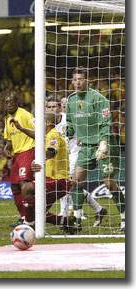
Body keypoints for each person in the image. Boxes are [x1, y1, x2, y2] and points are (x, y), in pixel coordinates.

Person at [66, 67, 125, 233]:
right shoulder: (71, 101)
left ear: (88, 81)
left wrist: (104, 142)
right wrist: (65, 135)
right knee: (76, 181)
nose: (78, 82)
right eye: (75, 79)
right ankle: (77, 221)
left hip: (105, 144)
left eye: (81, 79)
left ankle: (125, 219)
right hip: (86, 145)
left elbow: (106, 123)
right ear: (72, 82)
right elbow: (70, 124)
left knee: (109, 182)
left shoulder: (98, 99)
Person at [46, 96, 107, 227]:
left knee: (68, 184)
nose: (52, 109)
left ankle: (65, 213)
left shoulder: (70, 118)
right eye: (49, 107)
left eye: (54, 106)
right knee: (69, 186)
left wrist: (82, 138)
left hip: (74, 154)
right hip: (59, 157)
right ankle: (98, 209)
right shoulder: (46, 121)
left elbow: (84, 128)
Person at [10, 112, 74, 232]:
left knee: (26, 188)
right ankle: (66, 222)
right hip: (50, 180)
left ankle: (29, 227)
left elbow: (51, 152)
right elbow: (36, 135)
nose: (37, 125)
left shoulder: (54, 135)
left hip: (59, 180)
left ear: (48, 123)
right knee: (38, 213)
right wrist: (21, 128)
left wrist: (37, 160)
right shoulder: (48, 135)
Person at [3, 93, 35, 227]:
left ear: (17, 102)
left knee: (24, 184)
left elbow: (38, 132)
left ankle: (31, 218)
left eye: (11, 101)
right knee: (14, 186)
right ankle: (23, 217)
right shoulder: (8, 119)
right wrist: (6, 148)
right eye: (7, 102)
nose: (9, 104)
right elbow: (10, 139)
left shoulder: (26, 115)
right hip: (17, 155)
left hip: (28, 151)